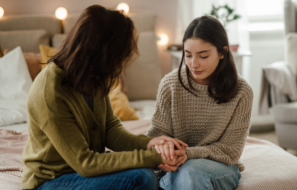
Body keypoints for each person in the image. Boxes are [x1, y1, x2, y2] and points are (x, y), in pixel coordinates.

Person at [21, 5, 187, 190]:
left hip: (82, 173)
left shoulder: (94, 77)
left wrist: (149, 144)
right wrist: (153, 157)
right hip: (50, 180)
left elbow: (110, 129)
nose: (120, 64)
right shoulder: (49, 92)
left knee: (151, 174)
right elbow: (86, 163)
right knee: (141, 178)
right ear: (102, 53)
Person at [147, 15, 254, 190]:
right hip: (176, 165)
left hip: (220, 166)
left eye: (203, 56)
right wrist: (164, 149)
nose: (193, 64)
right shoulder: (170, 84)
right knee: (179, 173)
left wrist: (189, 154)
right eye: (188, 55)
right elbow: (156, 137)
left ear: (222, 53)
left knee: (190, 172)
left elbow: (231, 150)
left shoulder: (242, 91)